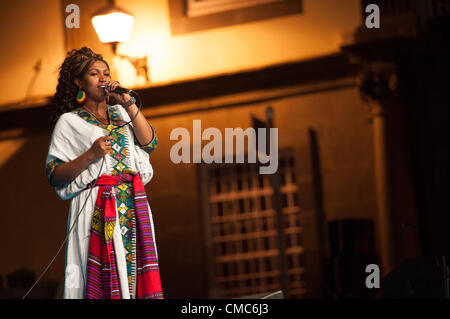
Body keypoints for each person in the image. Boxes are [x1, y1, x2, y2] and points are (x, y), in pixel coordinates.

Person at [45, 47, 163, 299]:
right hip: (96, 208)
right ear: (79, 82)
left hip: (132, 202)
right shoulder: (69, 121)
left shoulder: (121, 113)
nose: (102, 78)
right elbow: (55, 174)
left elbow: (149, 143)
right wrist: (90, 155)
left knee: (134, 274)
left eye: (106, 73)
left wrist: (128, 104)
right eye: (93, 73)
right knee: (101, 274)